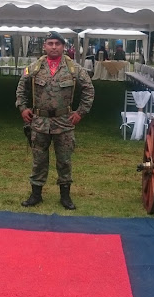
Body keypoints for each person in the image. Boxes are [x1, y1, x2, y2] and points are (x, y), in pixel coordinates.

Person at [15, 31, 95, 210]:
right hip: (39, 122)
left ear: (63, 47)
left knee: (64, 160)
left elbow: (89, 90)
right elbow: (21, 88)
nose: (53, 47)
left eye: (57, 44)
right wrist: (23, 108)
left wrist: (80, 112)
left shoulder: (74, 69)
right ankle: (36, 195)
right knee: (38, 160)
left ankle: (65, 196)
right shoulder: (35, 67)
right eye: (50, 43)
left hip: (64, 122)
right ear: (45, 46)